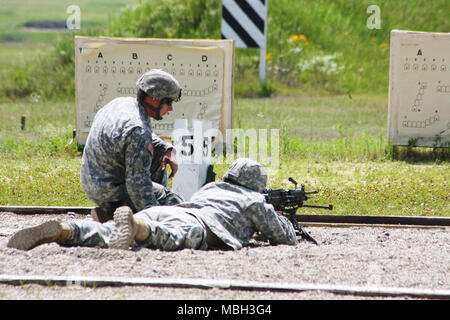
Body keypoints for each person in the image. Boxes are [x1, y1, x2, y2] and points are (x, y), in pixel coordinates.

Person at [7, 159, 297, 251]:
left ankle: (67, 229)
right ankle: (137, 227)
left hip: (176, 209)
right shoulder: (253, 199)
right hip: (200, 224)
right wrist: (281, 217)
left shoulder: (211, 187)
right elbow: (284, 237)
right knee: (168, 237)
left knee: (110, 231)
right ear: (256, 185)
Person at [80, 69, 184, 223]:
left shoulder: (123, 104)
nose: (170, 108)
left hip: (94, 183)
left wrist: (166, 149)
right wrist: (156, 219)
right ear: (154, 99)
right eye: (168, 102)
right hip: (109, 190)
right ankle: (125, 215)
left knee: (157, 155)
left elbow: (132, 137)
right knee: (170, 201)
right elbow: (138, 186)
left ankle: (111, 213)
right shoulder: (138, 130)